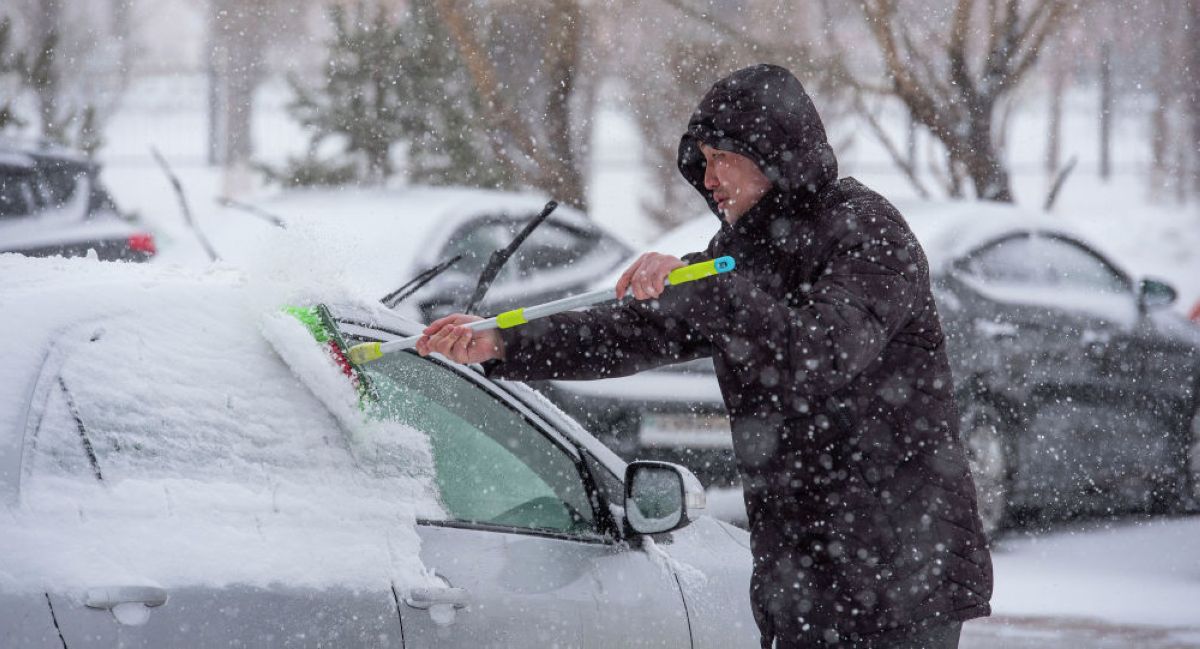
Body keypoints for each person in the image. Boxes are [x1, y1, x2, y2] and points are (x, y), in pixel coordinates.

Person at [416, 64, 992, 648]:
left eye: (723, 157)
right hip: (804, 573)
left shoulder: (866, 231)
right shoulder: (743, 250)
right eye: (703, 158)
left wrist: (706, 287)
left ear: (774, 154)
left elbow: (821, 353)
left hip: (898, 569)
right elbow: (632, 332)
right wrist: (502, 343)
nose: (709, 176)